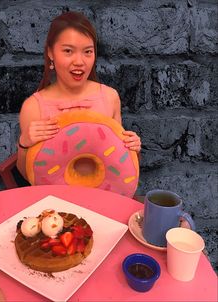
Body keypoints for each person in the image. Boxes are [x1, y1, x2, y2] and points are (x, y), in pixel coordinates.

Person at [16, 11, 141, 182]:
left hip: (103, 200)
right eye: (68, 51)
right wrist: (24, 143)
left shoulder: (110, 97)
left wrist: (133, 147)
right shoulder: (33, 107)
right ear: (51, 53)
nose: (79, 61)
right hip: (54, 203)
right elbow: (28, 176)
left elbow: (118, 159)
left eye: (87, 52)